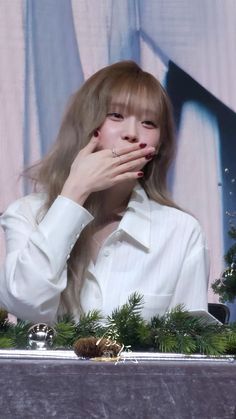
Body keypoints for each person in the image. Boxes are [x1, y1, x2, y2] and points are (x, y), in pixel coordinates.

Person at [0, 61, 209, 324]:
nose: (132, 134)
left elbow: (188, 349)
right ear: (86, 125)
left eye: (148, 122)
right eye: (116, 116)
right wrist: (75, 191)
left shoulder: (181, 232)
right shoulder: (27, 213)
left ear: (159, 144)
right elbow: (25, 303)